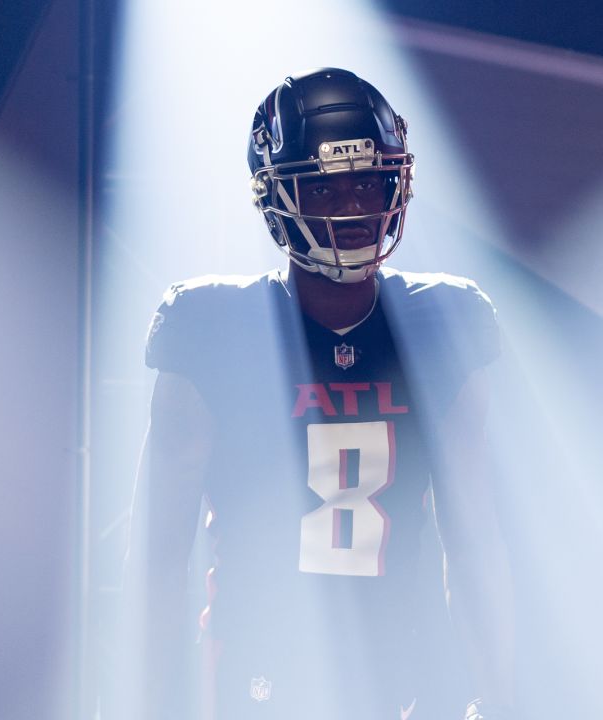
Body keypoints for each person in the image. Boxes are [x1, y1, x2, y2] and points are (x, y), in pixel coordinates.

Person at [122, 68, 516, 720]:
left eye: (370, 179)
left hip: (393, 689)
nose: (356, 204)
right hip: (258, 683)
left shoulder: (444, 322)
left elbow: (474, 544)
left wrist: (503, 701)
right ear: (277, 195)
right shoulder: (211, 328)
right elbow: (156, 561)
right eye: (329, 184)